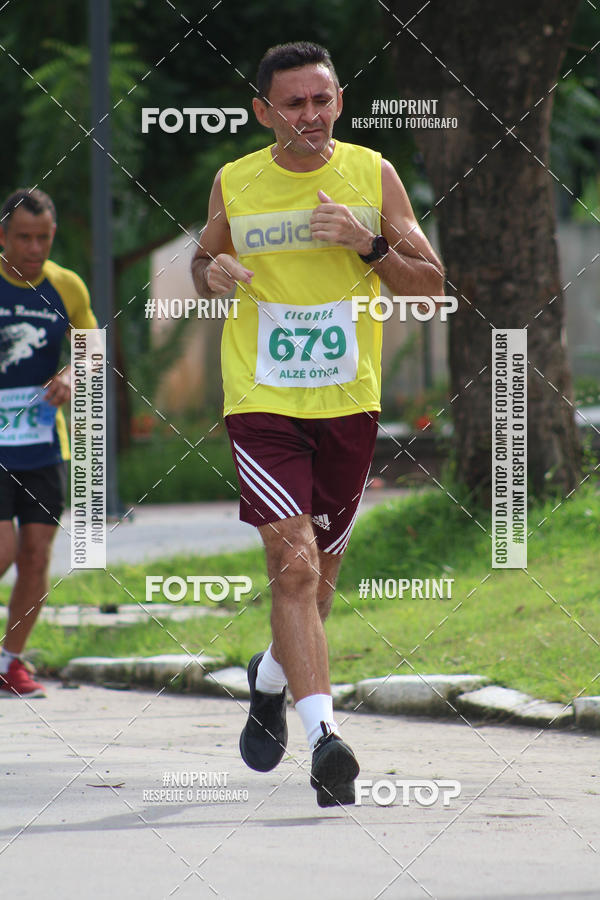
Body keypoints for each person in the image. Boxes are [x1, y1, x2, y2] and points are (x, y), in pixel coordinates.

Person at [191, 41, 444, 806]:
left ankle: (270, 679)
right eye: (293, 103)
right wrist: (213, 272)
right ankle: (326, 742)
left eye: (322, 99)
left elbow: (430, 286)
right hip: (262, 401)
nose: (310, 115)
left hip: (347, 403)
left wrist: (367, 243)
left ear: (339, 101)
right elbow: (203, 269)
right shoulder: (236, 181)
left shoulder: (373, 174)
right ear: (263, 111)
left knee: (319, 588)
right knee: (294, 568)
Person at [0, 188, 97, 697]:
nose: (34, 249)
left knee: (36, 557)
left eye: (43, 238)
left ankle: (9, 662)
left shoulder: (66, 286)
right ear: (2, 236)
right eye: (23, 238)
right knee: (3, 551)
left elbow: (91, 351)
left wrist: (71, 375)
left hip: (41, 444)